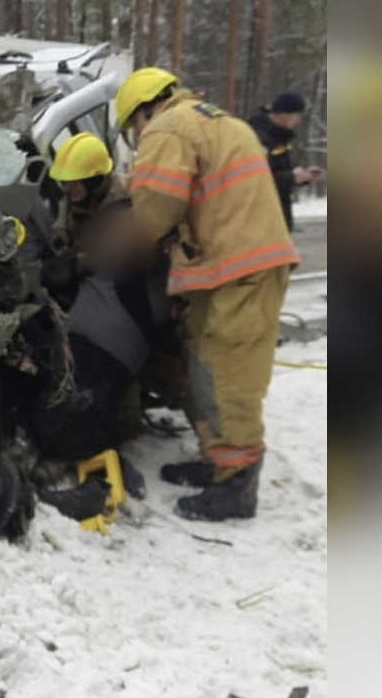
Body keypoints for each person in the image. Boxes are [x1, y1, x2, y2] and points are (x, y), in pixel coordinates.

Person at [114, 67, 301, 520]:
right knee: (205, 361)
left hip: (239, 267)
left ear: (142, 112)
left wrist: (121, 249)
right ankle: (217, 463)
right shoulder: (220, 121)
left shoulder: (167, 126)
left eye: (131, 132)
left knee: (227, 371)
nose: (138, 141)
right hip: (231, 265)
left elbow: (157, 203)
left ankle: (236, 487)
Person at [247, 90, 316, 231]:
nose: (299, 120)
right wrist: (291, 177)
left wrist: (303, 176)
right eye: (297, 115)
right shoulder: (259, 137)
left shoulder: (281, 136)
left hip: (278, 212)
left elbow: (280, 170)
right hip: (261, 215)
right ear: (284, 114)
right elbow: (258, 178)